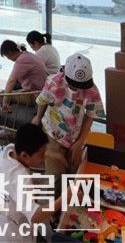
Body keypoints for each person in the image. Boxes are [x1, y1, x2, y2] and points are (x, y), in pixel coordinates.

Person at [32, 53, 105, 194]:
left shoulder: (91, 90)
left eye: (81, 86)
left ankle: (67, 204)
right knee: (55, 175)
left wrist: (80, 141)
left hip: (75, 135)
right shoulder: (54, 82)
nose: (77, 89)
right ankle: (53, 206)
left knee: (73, 172)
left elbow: (91, 115)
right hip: (53, 132)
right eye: (74, 85)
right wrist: (37, 117)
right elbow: (43, 100)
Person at [0, 123, 73, 242]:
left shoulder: (9, 151)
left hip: (1, 220)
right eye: (41, 155)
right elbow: (35, 216)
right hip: (13, 236)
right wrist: (65, 198)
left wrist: (54, 155)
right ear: (24, 155)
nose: (44, 159)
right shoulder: (21, 178)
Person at [0, 40, 48, 112]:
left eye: (7, 56)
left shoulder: (21, 61)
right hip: (44, 91)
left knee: (2, 95)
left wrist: (5, 102)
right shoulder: (27, 54)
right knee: (10, 90)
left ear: (9, 53)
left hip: (36, 95)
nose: (8, 59)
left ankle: (6, 113)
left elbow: (11, 81)